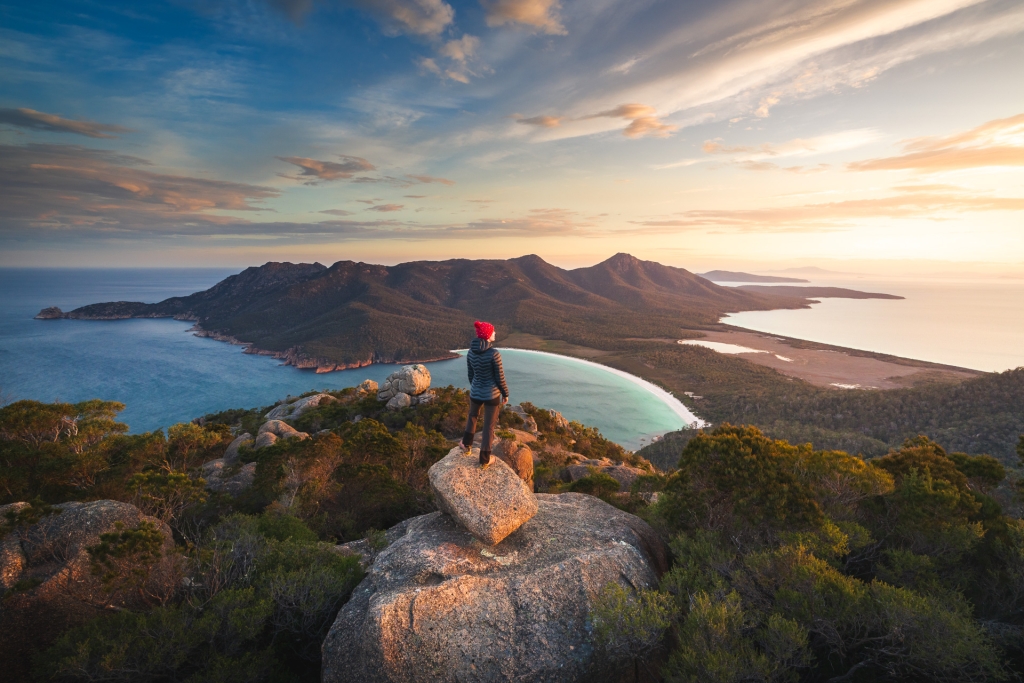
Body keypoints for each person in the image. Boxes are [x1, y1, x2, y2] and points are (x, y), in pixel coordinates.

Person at [460, 320, 509, 467]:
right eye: (493, 331)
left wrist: (476, 386)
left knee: (472, 416)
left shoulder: (470, 352)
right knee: (489, 426)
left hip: (475, 391)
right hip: (491, 395)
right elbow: (500, 378)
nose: (495, 333)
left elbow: (471, 375)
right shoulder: (494, 354)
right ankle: (484, 459)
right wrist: (505, 393)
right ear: (488, 336)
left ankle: (466, 446)